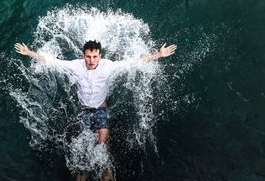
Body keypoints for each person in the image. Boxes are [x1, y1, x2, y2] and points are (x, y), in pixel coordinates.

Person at [14, 40, 177, 144]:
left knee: (102, 142)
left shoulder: (109, 66)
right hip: (83, 109)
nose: (91, 60)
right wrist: (29, 53)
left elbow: (134, 62)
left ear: (100, 56)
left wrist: (158, 55)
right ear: (83, 56)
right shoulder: (74, 66)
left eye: (95, 56)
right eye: (88, 56)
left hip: (100, 108)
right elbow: (51, 61)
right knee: (84, 143)